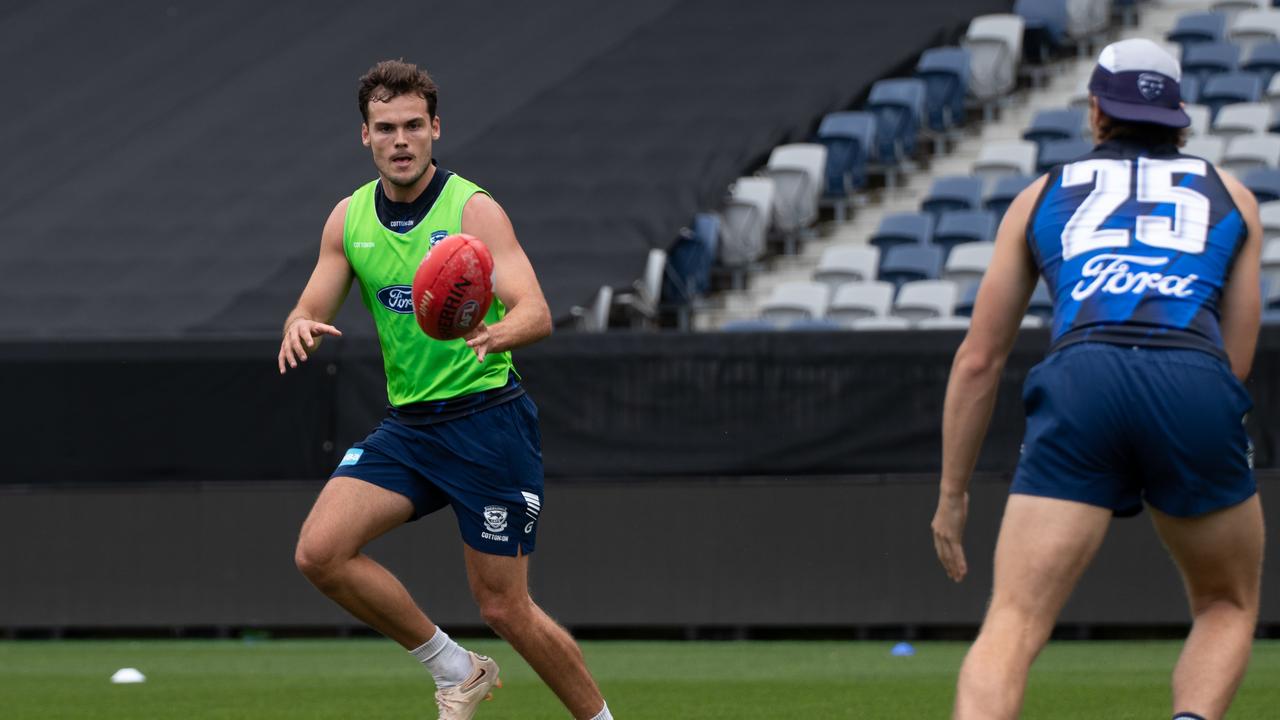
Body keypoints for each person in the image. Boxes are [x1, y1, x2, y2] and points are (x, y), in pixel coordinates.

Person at [931, 39, 1265, 720]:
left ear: (1095, 110)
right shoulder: (1233, 196)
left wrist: (952, 494)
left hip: (1082, 377)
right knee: (1226, 603)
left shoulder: (1038, 196)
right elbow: (1236, 361)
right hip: (1192, 378)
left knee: (1015, 620)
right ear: (1179, 116)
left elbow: (977, 360)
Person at [278, 59, 613, 720]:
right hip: (411, 428)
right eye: (385, 128)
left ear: (435, 129)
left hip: (488, 422)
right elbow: (310, 302)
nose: (399, 140)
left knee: (504, 608)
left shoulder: (473, 210)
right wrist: (297, 324)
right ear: (365, 137)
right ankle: (457, 669)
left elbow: (537, 313)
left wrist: (499, 333)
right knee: (320, 552)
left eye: (412, 126)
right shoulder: (349, 220)